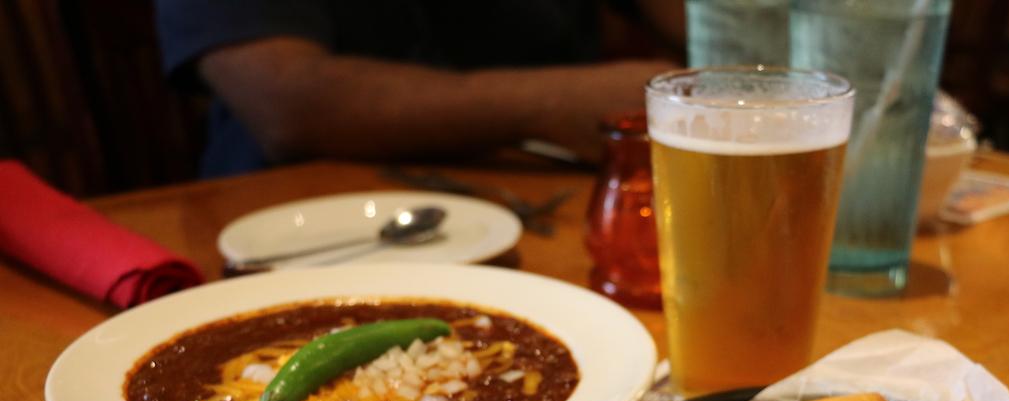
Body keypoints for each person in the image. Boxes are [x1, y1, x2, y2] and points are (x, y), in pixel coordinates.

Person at [154, 0, 685, 177]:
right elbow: (287, 102)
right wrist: (551, 102)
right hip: (304, 223)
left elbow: (711, 18)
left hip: (550, 202)